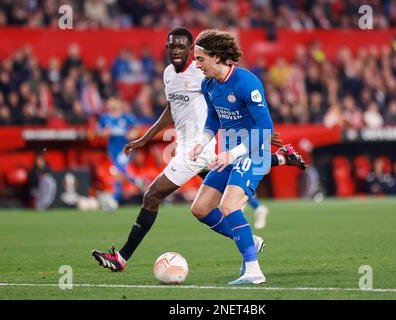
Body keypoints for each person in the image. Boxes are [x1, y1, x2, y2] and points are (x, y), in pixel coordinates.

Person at [92, 27, 306, 274]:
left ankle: (121, 257)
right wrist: (145, 138)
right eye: (172, 46)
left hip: (201, 148)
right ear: (166, 48)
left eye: (183, 47)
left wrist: (257, 131)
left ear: (195, 49)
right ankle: (274, 173)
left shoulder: (206, 71)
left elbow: (244, 108)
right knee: (203, 205)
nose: (178, 51)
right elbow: (174, 109)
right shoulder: (170, 75)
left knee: (153, 195)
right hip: (193, 146)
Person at [188, 29, 274, 285]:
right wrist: (201, 143)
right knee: (200, 209)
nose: (196, 64)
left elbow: (265, 129)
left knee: (229, 206)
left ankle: (254, 271)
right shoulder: (209, 85)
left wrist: (233, 153)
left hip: (253, 153)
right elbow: (213, 119)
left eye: (200, 59)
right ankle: (251, 240)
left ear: (216, 57)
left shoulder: (247, 82)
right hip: (227, 155)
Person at [96, 97, 140, 203]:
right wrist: (104, 133)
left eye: (114, 102)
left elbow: (137, 129)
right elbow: (98, 132)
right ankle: (138, 181)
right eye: (109, 102)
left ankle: (116, 197)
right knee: (120, 171)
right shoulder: (105, 118)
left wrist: (133, 134)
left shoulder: (126, 117)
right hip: (113, 149)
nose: (112, 105)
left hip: (126, 148)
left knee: (120, 168)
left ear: (119, 103)